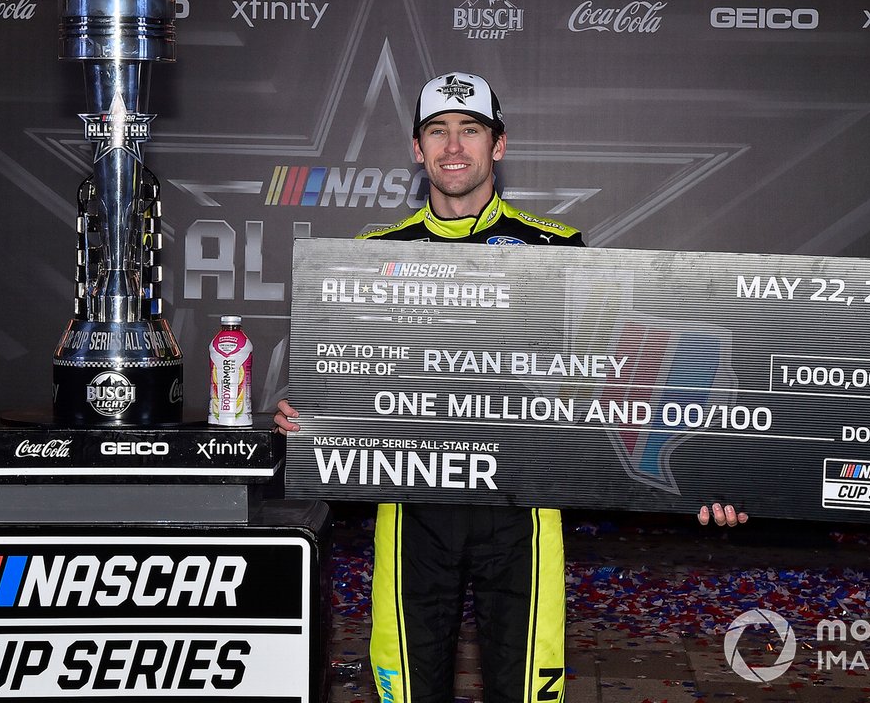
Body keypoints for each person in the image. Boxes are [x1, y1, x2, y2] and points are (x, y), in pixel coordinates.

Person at [274, 71, 748, 703]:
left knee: (525, 691)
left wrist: (711, 473)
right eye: (437, 131)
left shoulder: (558, 249)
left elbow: (619, 383)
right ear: (416, 149)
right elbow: (344, 386)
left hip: (522, 510)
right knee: (407, 691)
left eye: (470, 130)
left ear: (498, 145)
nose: (453, 147)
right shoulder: (368, 258)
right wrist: (310, 421)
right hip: (413, 510)